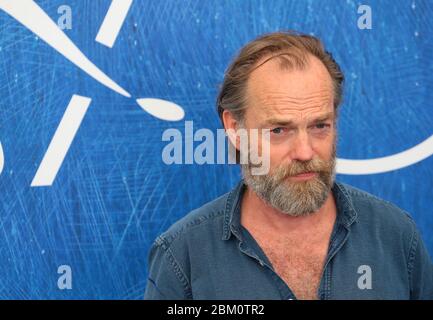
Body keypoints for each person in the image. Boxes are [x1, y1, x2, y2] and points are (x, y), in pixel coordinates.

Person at [144, 31, 433, 300]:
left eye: (320, 126)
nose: (305, 152)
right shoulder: (183, 257)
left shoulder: (395, 237)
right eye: (279, 130)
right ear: (234, 129)